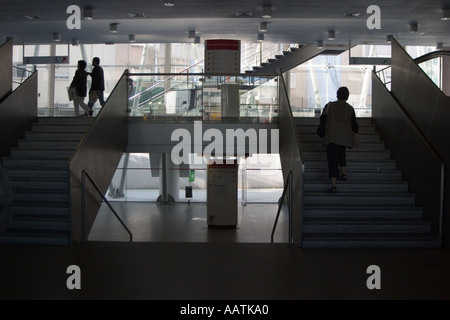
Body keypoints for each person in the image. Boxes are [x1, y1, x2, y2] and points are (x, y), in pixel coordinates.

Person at [320, 86, 360, 193]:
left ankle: (333, 186)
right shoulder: (350, 108)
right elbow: (355, 126)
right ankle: (344, 174)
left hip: (332, 136)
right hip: (344, 137)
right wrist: (357, 140)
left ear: (337, 95)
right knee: (342, 154)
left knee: (332, 161)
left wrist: (322, 133)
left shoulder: (329, 106)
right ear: (347, 96)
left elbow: (322, 119)